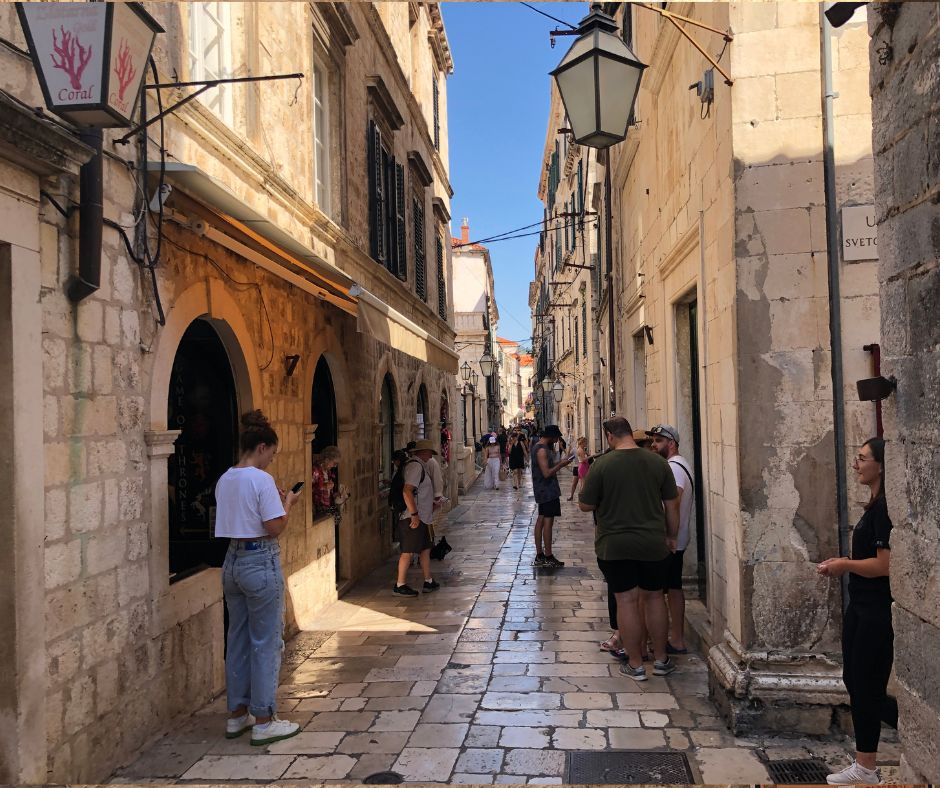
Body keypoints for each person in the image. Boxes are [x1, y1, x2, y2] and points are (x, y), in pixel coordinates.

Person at [215, 410, 302, 746]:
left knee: (236, 638)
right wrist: (289, 504)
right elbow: (274, 527)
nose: (271, 461)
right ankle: (265, 720)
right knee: (266, 642)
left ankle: (237, 716)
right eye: (272, 454)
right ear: (262, 447)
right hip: (259, 560)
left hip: (232, 561)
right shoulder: (260, 480)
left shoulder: (226, 478)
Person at [818, 438, 897, 785]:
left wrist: (845, 564)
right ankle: (865, 766)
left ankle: (866, 767)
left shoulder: (883, 510)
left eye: (863, 458)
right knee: (856, 682)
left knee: (867, 686)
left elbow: (884, 565)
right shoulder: (873, 505)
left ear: (880, 465)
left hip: (876, 610)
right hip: (860, 607)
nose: (856, 463)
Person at [578, 416, 679, 682]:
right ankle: (661, 659)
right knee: (655, 598)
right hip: (652, 543)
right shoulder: (657, 462)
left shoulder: (602, 465)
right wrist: (671, 537)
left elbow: (585, 505)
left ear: (610, 436)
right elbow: (672, 505)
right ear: (630, 434)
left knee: (626, 601)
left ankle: (635, 664)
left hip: (614, 545)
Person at [647, 425, 694, 654]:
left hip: (669, 541)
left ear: (671, 443)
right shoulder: (679, 464)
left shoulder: (673, 468)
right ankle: (676, 638)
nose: (654, 445)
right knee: (674, 588)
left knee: (654, 593)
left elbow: (672, 502)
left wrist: (669, 535)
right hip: (677, 538)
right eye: (653, 441)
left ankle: (666, 640)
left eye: (658, 441)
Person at [395, 439, 441, 596]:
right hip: (414, 517)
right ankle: (400, 584)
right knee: (408, 551)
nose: (430, 455)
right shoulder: (415, 466)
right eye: (429, 452)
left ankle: (428, 581)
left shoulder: (422, 466)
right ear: (422, 452)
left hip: (424, 517)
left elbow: (421, 492)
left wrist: (432, 504)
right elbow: (407, 491)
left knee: (425, 549)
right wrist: (414, 515)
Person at [531, 425, 573, 567]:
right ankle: (547, 555)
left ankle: (540, 555)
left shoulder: (539, 447)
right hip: (547, 491)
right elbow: (547, 473)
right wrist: (561, 465)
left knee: (541, 520)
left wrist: (562, 461)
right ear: (551, 436)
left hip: (544, 490)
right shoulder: (542, 449)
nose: (556, 440)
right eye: (556, 438)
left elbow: (548, 465)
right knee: (547, 522)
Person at [311, 445, 348, 516]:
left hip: (326, 507)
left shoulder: (328, 472)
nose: (335, 466)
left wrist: (337, 495)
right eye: (334, 463)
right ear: (327, 460)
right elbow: (309, 490)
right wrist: (323, 486)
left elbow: (327, 494)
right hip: (318, 509)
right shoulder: (316, 471)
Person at [567, 437, 590, 501]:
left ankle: (581, 497)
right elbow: (568, 456)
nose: (586, 444)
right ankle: (571, 496)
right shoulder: (574, 449)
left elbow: (588, 456)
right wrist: (569, 447)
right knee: (575, 483)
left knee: (582, 483)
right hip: (577, 467)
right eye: (585, 443)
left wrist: (587, 453)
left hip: (581, 467)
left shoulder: (583, 449)